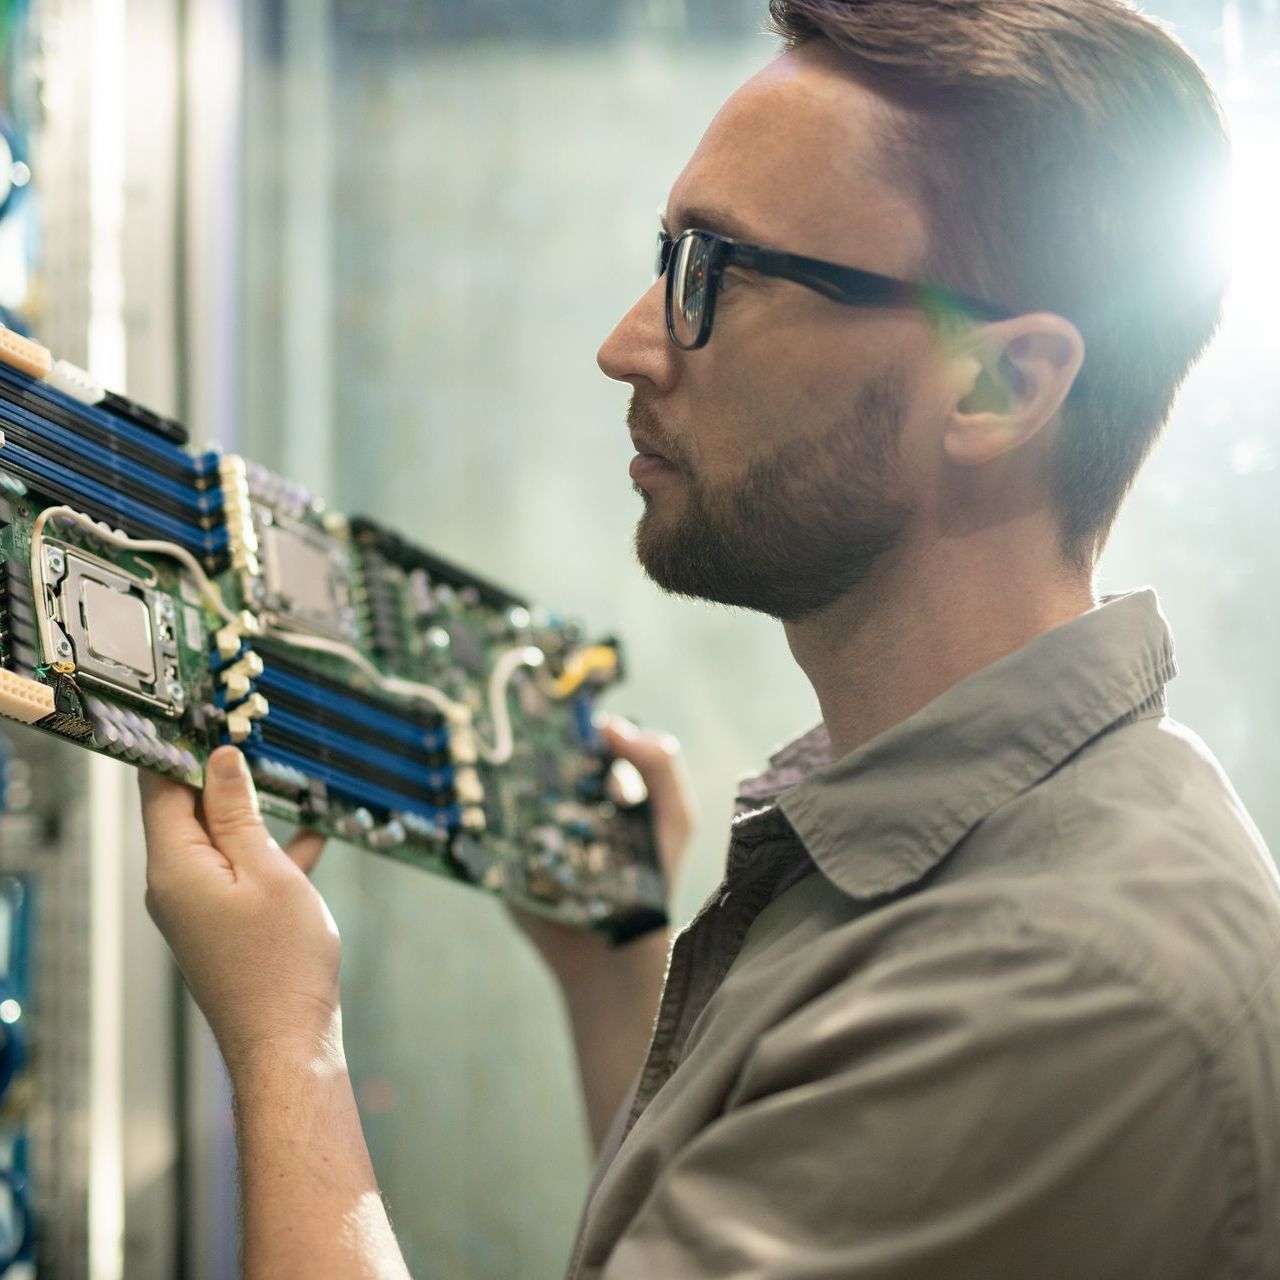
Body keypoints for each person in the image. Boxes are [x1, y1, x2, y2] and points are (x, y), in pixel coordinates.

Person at [140, 1, 1280, 1276]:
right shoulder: (964, 849)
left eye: (715, 275)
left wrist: (283, 1039)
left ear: (997, 386)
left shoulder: (1057, 988)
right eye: (665, 251)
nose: (625, 343)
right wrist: (614, 982)